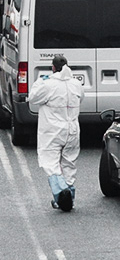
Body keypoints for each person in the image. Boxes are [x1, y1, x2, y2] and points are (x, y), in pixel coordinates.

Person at [29, 55, 83, 211]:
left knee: (50, 162)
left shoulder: (48, 84)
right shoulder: (76, 84)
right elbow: (80, 100)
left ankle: (61, 193)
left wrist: (40, 80)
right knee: (69, 162)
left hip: (52, 131)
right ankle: (69, 197)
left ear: (53, 67)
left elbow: (33, 97)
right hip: (72, 130)